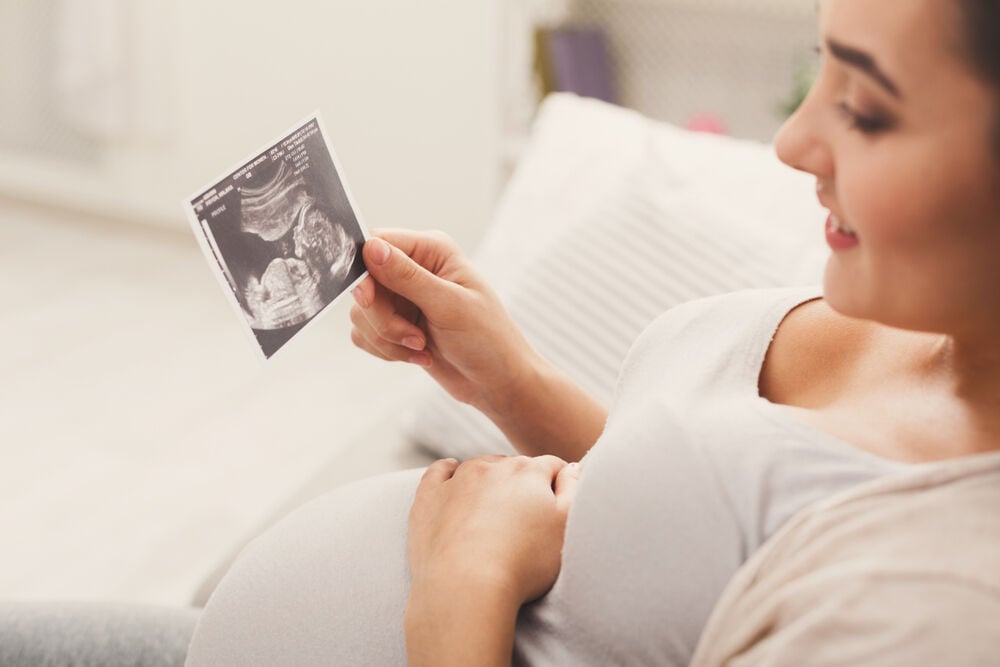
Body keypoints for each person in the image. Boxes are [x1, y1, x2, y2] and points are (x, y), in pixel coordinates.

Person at [9, 0, 998, 664]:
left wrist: (462, 589)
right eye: (816, 71)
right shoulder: (907, 300)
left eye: (865, 109)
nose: (790, 142)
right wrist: (509, 382)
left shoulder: (937, 596)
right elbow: (689, 536)